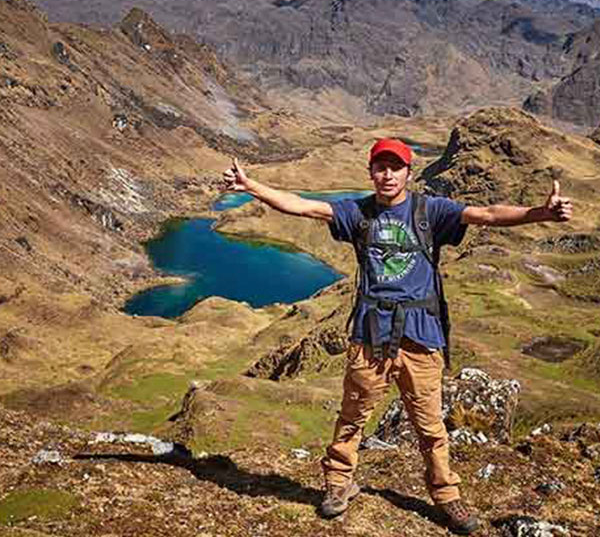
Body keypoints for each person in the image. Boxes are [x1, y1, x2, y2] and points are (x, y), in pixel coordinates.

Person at [222, 138, 572, 535]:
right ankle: (338, 485)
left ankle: (446, 497)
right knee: (352, 416)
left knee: (430, 426)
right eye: (380, 167)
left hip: (421, 336)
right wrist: (252, 187)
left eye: (395, 167)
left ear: (408, 171)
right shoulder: (357, 212)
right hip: (372, 335)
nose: (387, 175)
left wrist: (541, 213)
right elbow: (301, 205)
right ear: (371, 172)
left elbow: (488, 214)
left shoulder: (430, 210)